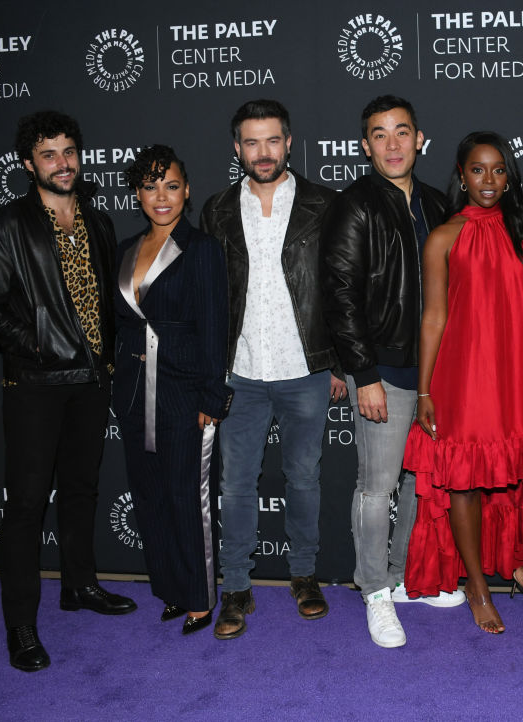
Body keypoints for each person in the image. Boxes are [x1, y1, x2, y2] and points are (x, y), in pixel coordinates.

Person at [0, 110, 136, 672]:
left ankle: (79, 585)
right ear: (28, 163)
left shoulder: (98, 221)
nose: (62, 164)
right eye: (48, 155)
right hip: (35, 384)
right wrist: (40, 343)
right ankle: (20, 624)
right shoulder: (7, 227)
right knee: (26, 505)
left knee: (82, 490)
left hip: (91, 381)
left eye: (69, 152)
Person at [403, 132, 523, 634]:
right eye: (478, 170)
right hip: (465, 373)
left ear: (510, 177)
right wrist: (424, 391)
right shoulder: (444, 236)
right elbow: (434, 318)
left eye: (499, 170)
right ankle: (477, 588)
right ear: (461, 176)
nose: (489, 179)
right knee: (464, 479)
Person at [321, 95, 464, 649]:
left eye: (402, 132)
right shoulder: (353, 204)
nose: (393, 144)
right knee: (377, 487)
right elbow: (340, 295)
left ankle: (403, 578)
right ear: (366, 146)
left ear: (419, 139)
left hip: (435, 372)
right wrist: (364, 374)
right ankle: (374, 590)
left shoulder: (437, 203)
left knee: (416, 483)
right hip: (382, 368)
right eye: (379, 135)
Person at [200, 99, 345, 640]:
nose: (263, 152)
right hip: (240, 371)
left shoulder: (324, 205)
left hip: (304, 368)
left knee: (304, 479)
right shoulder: (216, 209)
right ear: (237, 148)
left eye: (272, 140)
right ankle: (236, 586)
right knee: (236, 484)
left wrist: (336, 362)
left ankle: (303, 575)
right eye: (251, 142)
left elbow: (339, 289)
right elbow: (210, 296)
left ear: (289, 142)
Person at [114, 145, 230, 635]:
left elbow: (215, 327)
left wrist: (211, 396)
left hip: (185, 393)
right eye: (150, 186)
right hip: (134, 393)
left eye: (172, 186)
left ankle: (199, 596)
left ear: (187, 190)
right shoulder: (125, 248)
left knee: (188, 498)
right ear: (138, 194)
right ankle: (171, 588)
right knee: (150, 496)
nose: (161, 197)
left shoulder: (202, 249)